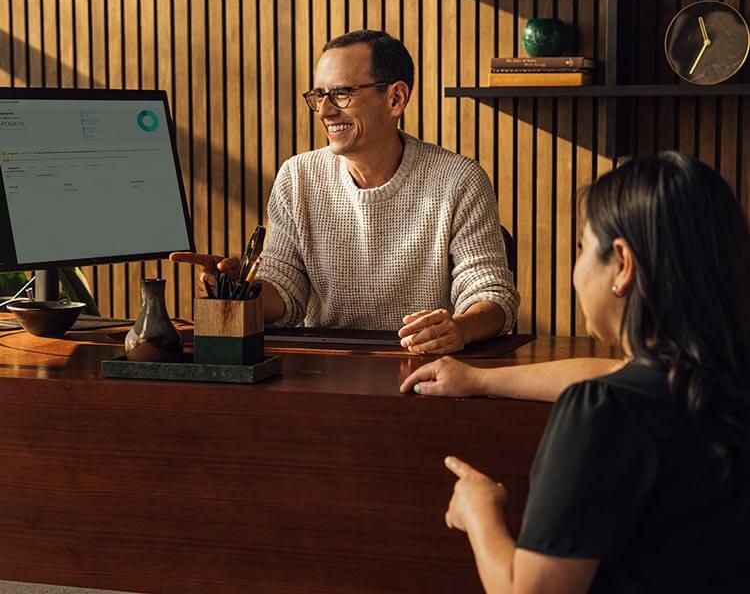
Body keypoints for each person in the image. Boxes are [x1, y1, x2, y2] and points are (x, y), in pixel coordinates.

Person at [427, 154, 750, 593]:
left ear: (622, 264)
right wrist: (479, 379)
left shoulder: (606, 411)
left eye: (581, 247)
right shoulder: (708, 378)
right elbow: (616, 372)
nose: (577, 272)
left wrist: (479, 511)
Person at [172, 30, 518, 354]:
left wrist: (461, 328)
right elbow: (286, 293)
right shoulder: (298, 177)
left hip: (424, 368)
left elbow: (492, 294)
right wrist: (240, 293)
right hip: (325, 366)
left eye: (341, 94)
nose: (324, 111)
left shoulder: (458, 179)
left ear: (396, 98)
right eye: (319, 96)